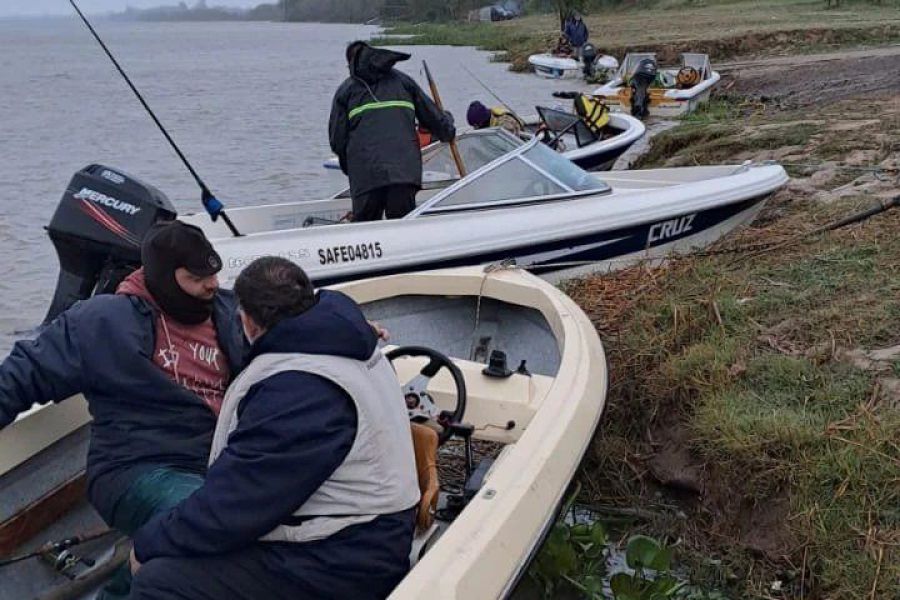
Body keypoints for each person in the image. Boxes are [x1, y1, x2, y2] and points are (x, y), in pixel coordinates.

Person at [128, 256, 419, 600]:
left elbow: (236, 506)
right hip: (365, 531)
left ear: (247, 322)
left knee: (161, 581)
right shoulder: (341, 341)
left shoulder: (301, 390)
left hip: (347, 558)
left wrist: (148, 544)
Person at [0, 220, 245, 598]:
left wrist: (355, 332)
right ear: (165, 277)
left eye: (213, 273)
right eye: (197, 277)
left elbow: (295, 322)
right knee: (203, 522)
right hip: (138, 467)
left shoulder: (228, 310)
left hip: (220, 462)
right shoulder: (102, 322)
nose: (211, 284)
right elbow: (20, 374)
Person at [329, 41, 457, 222]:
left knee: (365, 230)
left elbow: (337, 140)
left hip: (366, 176)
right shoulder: (404, 82)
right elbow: (435, 120)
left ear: (352, 62)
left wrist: (349, 167)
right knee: (402, 228)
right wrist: (448, 127)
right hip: (404, 173)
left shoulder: (346, 91)